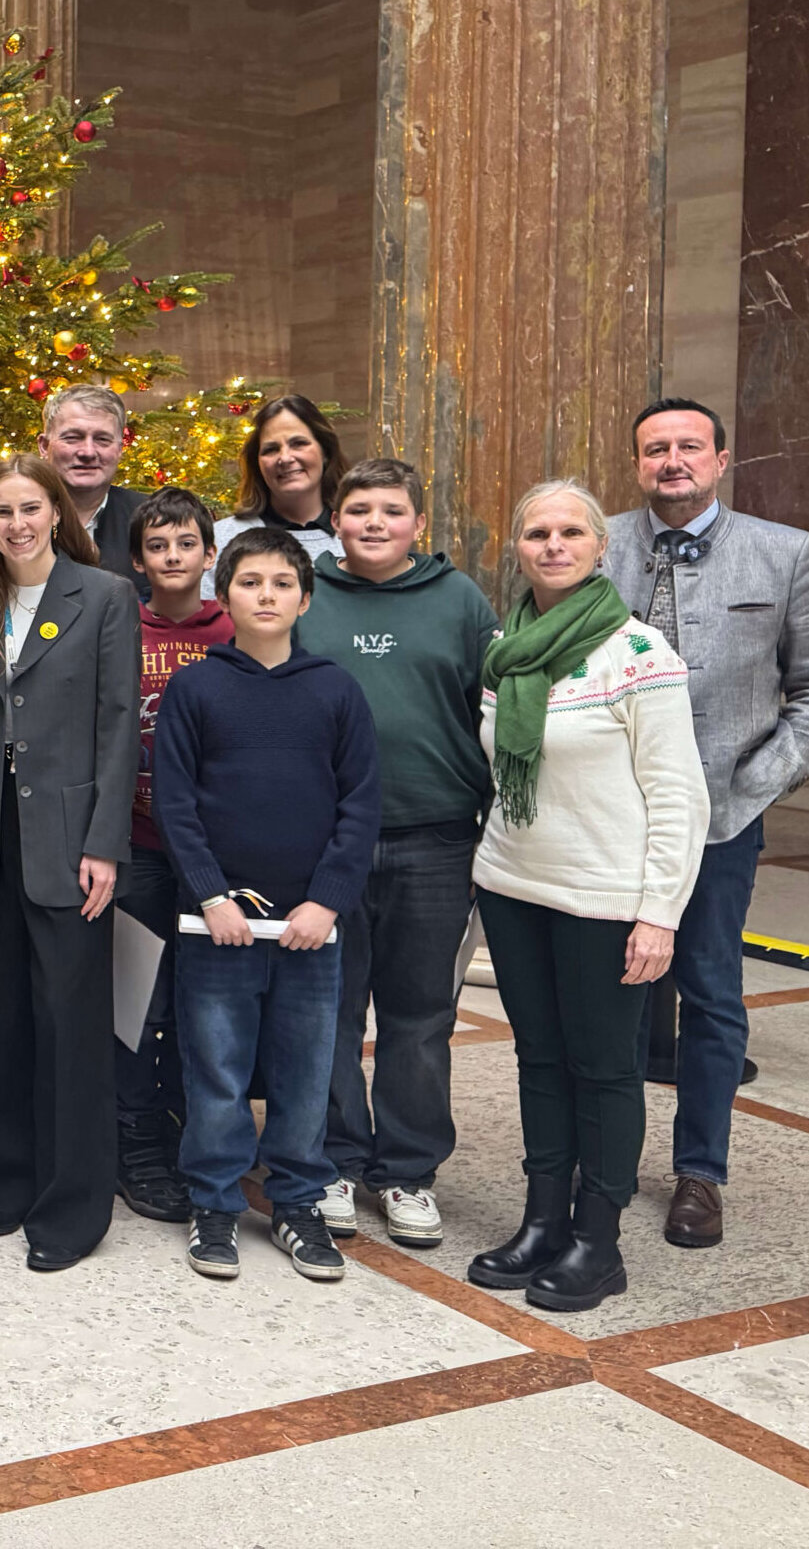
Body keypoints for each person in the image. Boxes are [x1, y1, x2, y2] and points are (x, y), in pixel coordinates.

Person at [466, 480, 707, 1311]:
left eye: (572, 531)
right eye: (538, 531)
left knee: (602, 1068)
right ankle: (541, 1219)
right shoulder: (506, 647)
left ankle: (595, 1239)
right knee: (538, 1057)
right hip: (513, 882)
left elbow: (679, 794)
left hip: (604, 896)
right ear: (519, 545)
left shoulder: (638, 653)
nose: (554, 544)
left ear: (601, 547)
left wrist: (659, 912)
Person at [605, 398, 809, 1250]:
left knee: (711, 994)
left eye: (689, 446)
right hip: (609, 819)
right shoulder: (595, 540)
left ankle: (700, 1172)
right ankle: (602, 1164)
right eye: (655, 448)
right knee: (608, 994)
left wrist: (753, 783)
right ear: (638, 463)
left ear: (721, 459)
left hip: (722, 820)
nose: (672, 460)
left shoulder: (784, 553)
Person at [153, 528, 381, 1285]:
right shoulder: (196, 687)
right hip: (215, 925)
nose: (266, 596)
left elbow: (359, 805)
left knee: (305, 1068)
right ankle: (214, 1200)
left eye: (282, 584)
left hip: (309, 929)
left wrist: (326, 901)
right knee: (214, 1068)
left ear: (304, 598)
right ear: (225, 595)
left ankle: (296, 1200)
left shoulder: (334, 689)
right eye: (249, 583)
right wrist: (210, 893)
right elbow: (175, 803)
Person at [0, 456, 140, 1266]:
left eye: (29, 508)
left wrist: (103, 844)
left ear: (56, 512)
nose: (15, 524)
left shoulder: (105, 596)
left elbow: (118, 724)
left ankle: (71, 1203)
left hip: (67, 842)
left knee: (67, 1024)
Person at [299, 457, 497, 1249]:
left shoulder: (459, 601)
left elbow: (494, 706)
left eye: (390, 510)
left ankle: (409, 1170)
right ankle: (337, 1159)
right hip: (327, 843)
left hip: (435, 836)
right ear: (335, 521)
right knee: (332, 1011)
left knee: (419, 1016)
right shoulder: (306, 595)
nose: (373, 522)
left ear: (417, 522)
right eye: (358, 509)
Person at [111, 486, 231, 1225]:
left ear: (209, 553)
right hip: (135, 847)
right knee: (135, 1007)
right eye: (157, 546)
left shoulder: (234, 628)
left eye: (186, 543)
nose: (172, 557)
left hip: (216, 857)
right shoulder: (119, 625)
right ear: (136, 559)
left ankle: (199, 1139)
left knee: (204, 1004)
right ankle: (136, 1142)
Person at [207, 396, 345, 593]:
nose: (285, 458)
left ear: (325, 452)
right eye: (271, 449)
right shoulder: (221, 540)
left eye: (298, 443)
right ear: (257, 463)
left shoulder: (358, 537)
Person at [39, 384, 151, 600]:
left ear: (119, 449)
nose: (88, 452)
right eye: (72, 437)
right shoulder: (15, 518)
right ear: (44, 446)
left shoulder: (151, 519)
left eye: (102, 439)